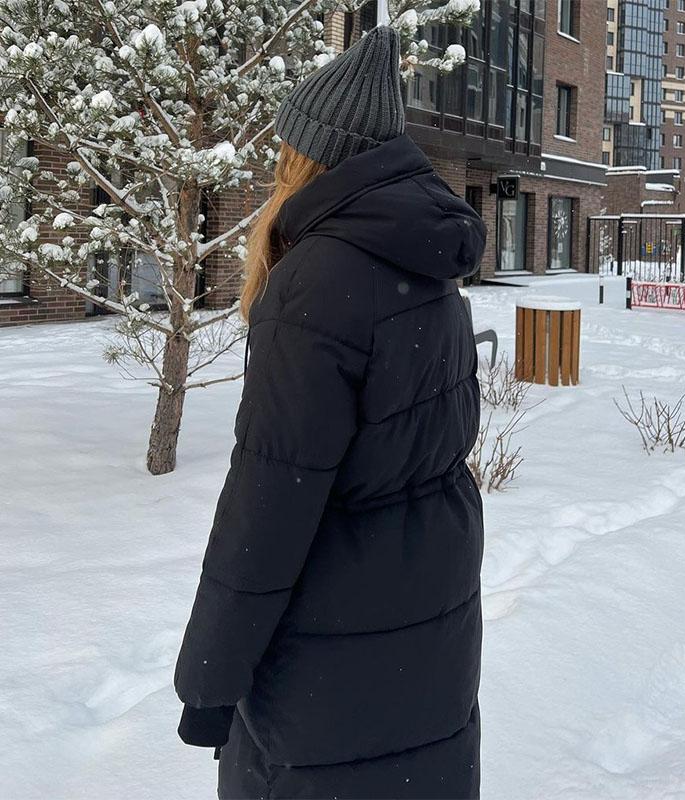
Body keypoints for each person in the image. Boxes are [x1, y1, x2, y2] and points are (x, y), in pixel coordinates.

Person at [174, 25, 486, 799]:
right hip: (427, 619)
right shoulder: (427, 266)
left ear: (308, 156)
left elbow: (268, 503)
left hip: (330, 647)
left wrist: (209, 679)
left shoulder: (316, 283)